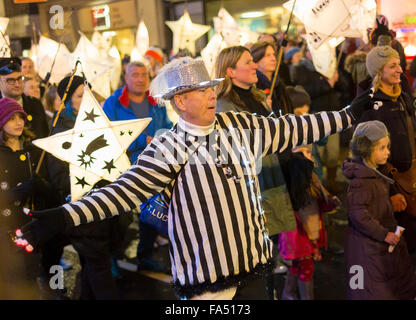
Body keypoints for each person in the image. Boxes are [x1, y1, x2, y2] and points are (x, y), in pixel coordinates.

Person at [20, 56, 372, 300]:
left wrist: (347, 115)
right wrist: (63, 217)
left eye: (211, 88)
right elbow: (122, 193)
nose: (211, 94)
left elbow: (290, 128)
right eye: (201, 91)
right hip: (206, 285)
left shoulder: (239, 125)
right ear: (179, 102)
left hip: (254, 265)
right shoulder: (166, 148)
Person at [215, 45, 294, 299]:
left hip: (271, 177)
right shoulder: (224, 107)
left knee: (270, 246)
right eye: (248, 62)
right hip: (251, 186)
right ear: (230, 71)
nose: (254, 66)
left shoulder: (258, 96)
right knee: (257, 253)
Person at [46, 75, 122, 299]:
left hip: (104, 206)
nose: (88, 99)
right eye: (81, 96)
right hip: (83, 210)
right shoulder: (60, 132)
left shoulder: (98, 125)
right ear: (68, 101)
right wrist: (89, 176)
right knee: (99, 266)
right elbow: (58, 178)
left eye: (89, 93)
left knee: (93, 266)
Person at [102, 61, 173, 273]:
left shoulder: (156, 102)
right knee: (120, 216)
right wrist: (144, 140)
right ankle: (113, 257)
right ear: (126, 77)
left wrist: (169, 135)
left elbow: (166, 126)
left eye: (145, 75)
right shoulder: (113, 103)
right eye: (135, 75)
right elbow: (108, 134)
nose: (141, 79)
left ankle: (145, 255)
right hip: (123, 167)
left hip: (154, 165)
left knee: (152, 212)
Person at [343, 120, 416, 299]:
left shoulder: (374, 174)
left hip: (379, 245)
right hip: (367, 248)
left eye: (387, 147)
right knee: (367, 289)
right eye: (382, 148)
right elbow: (359, 214)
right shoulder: (361, 180)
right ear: (366, 150)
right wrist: (383, 233)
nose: (388, 152)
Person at [358, 45, 416, 257]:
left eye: (399, 64)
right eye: (393, 66)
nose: (400, 69)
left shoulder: (402, 97)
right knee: (402, 246)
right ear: (378, 71)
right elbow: (368, 156)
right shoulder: (370, 106)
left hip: (412, 180)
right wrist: (391, 192)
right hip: (394, 185)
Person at [0, 97, 57, 299]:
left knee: (31, 275)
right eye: (11, 118)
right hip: (5, 228)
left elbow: (51, 191)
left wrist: (41, 186)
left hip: (31, 225)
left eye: (20, 117)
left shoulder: (33, 151)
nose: (18, 123)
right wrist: (22, 189)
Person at [278, 144, 341, 300]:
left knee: (298, 265)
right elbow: (302, 213)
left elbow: (320, 203)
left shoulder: (311, 178)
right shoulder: (292, 181)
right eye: (302, 152)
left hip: (305, 231)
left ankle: (289, 293)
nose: (308, 155)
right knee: (306, 267)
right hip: (299, 235)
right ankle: (302, 296)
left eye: (309, 152)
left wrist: (330, 202)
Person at [290, 49, 342, 193]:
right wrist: (327, 84)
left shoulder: (329, 67)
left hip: (332, 115)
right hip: (314, 114)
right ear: (308, 51)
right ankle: (318, 184)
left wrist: (336, 77)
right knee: (315, 154)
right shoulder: (301, 69)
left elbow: (344, 85)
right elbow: (307, 90)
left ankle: (331, 181)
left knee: (333, 153)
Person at [0, 57, 49, 140]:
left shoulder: (35, 104)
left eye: (19, 79)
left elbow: (45, 136)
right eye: (11, 80)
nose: (17, 84)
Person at [250, 41, 293, 115]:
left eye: (273, 54)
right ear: (256, 60)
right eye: (268, 55)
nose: (273, 58)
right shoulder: (254, 86)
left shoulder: (278, 83)